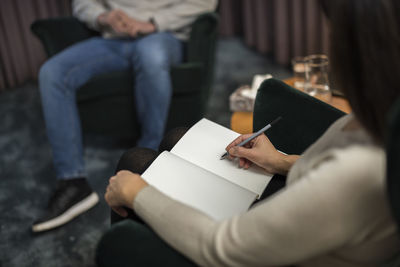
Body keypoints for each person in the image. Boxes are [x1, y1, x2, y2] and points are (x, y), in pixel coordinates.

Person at [100, 0, 400, 266]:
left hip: (281, 251)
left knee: (135, 163)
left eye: (332, 34)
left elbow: (219, 247)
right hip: (306, 209)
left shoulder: (356, 174)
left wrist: (136, 193)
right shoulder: (380, 117)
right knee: (178, 138)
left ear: (359, 50)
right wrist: (279, 160)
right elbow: (331, 171)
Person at [32, 0, 218, 233]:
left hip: (163, 36)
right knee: (52, 72)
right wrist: (102, 17)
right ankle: (72, 181)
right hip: (114, 40)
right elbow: (83, 3)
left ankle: (148, 165)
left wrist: (153, 24)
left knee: (150, 54)